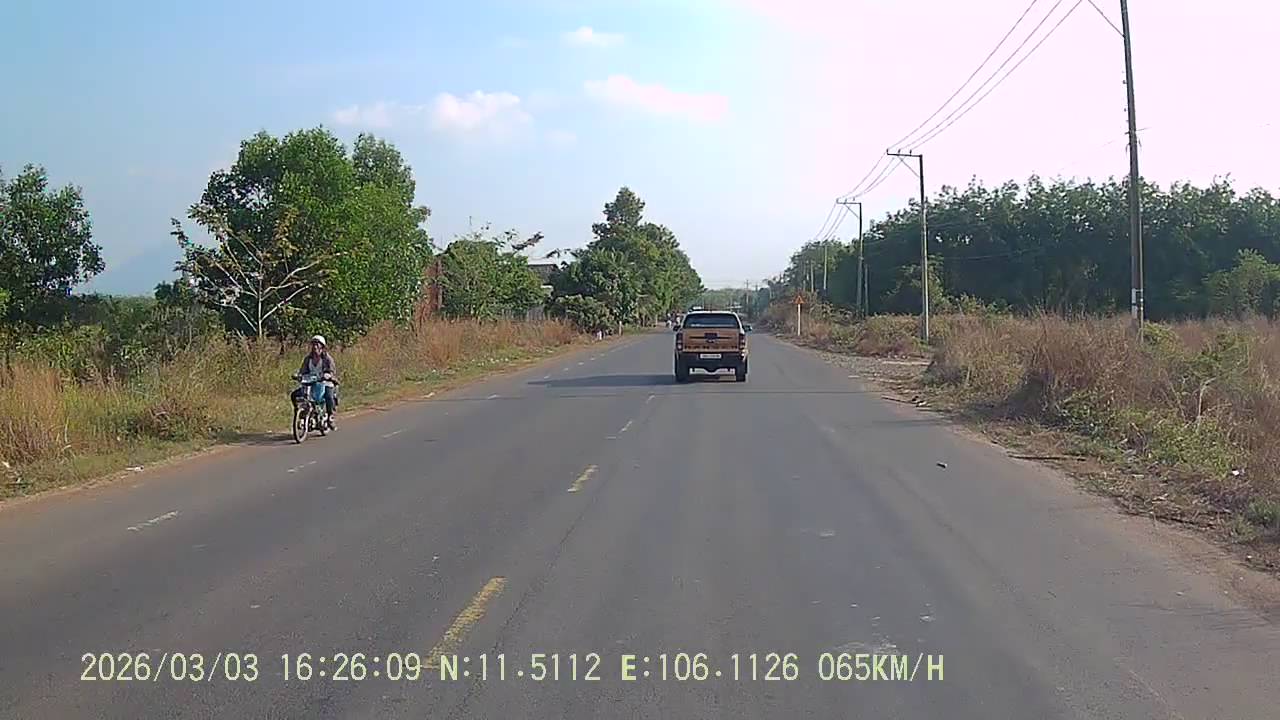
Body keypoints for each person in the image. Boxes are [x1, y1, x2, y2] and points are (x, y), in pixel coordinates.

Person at [293, 334, 338, 429]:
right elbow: (302, 371)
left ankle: (331, 417)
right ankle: (300, 412)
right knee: (295, 395)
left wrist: (328, 375)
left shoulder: (327, 359)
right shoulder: (308, 359)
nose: (315, 347)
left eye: (317, 344)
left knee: (329, 396)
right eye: (313, 344)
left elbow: (332, 371)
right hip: (310, 383)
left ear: (322, 346)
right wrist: (298, 376)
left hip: (325, 382)